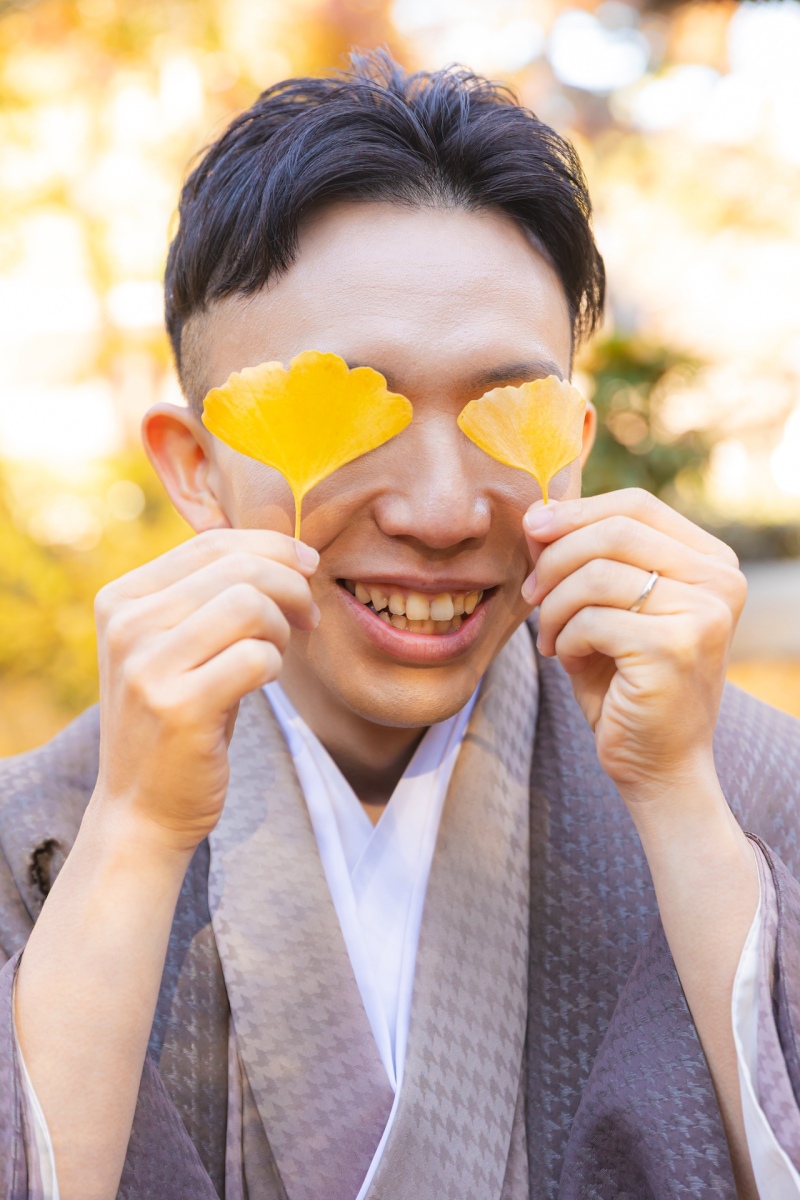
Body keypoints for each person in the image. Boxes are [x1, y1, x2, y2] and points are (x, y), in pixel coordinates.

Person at [2, 50, 800, 1200]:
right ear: (192, 468)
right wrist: (128, 838)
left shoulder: (749, 792)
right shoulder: (38, 833)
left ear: (566, 446)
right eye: (348, 413)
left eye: (500, 415)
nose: (439, 513)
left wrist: (679, 802)